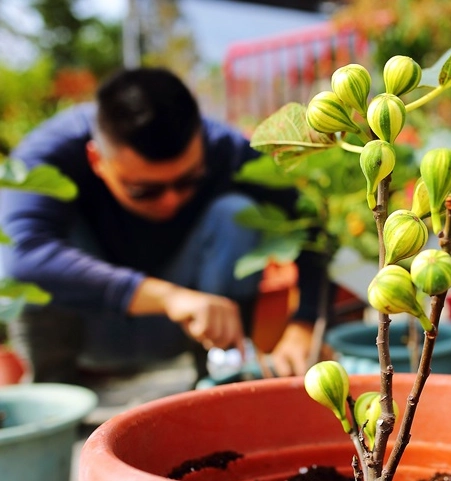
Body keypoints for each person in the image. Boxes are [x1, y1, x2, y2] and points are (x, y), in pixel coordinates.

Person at [0, 67, 321, 385]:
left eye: (188, 180)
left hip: (187, 328)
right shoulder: (50, 154)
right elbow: (19, 258)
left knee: (235, 214)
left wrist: (305, 322)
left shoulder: (225, 148)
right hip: (84, 329)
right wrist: (167, 297)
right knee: (39, 246)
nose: (171, 201)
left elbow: (310, 223)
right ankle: (54, 395)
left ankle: (222, 377)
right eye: (145, 190)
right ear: (97, 160)